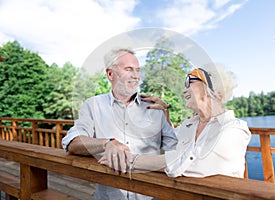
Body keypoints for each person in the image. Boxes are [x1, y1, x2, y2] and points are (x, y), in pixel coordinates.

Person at [62, 48, 177, 200]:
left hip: (151, 195)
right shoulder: (93, 105)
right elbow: (73, 142)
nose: (135, 76)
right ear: (110, 74)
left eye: (137, 70)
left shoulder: (155, 108)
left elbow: (177, 150)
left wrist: (166, 113)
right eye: (128, 69)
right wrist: (107, 143)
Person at [100, 65, 251, 179]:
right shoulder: (189, 125)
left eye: (190, 82)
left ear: (212, 90)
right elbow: (172, 143)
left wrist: (131, 161)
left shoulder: (234, 130)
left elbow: (192, 163)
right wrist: (164, 112)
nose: (184, 90)